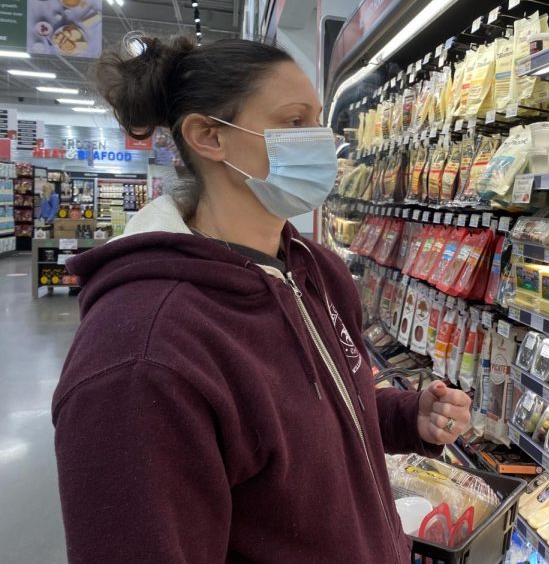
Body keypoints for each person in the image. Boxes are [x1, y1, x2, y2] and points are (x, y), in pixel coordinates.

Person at [52, 36, 472, 564]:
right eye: (295, 122)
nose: (321, 141)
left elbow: (307, 417)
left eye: (319, 120)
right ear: (209, 136)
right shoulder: (142, 353)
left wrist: (406, 417)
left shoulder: (316, 270)